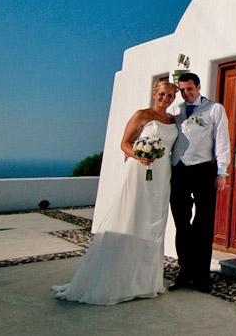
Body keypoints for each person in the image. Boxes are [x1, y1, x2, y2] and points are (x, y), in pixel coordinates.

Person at [54, 80, 179, 305]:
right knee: (132, 219)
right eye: (162, 94)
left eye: (170, 96)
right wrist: (138, 155)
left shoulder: (172, 120)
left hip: (162, 176)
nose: (166, 99)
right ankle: (118, 281)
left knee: (154, 225)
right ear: (154, 94)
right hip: (140, 172)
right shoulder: (141, 115)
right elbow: (124, 143)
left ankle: (146, 282)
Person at [169, 72, 230, 293]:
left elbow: (222, 140)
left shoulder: (215, 109)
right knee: (181, 223)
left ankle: (202, 276)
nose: (186, 93)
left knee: (203, 224)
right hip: (178, 170)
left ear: (198, 86)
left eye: (189, 89)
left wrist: (222, 172)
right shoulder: (175, 110)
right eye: (182, 90)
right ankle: (185, 271)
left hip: (204, 169)